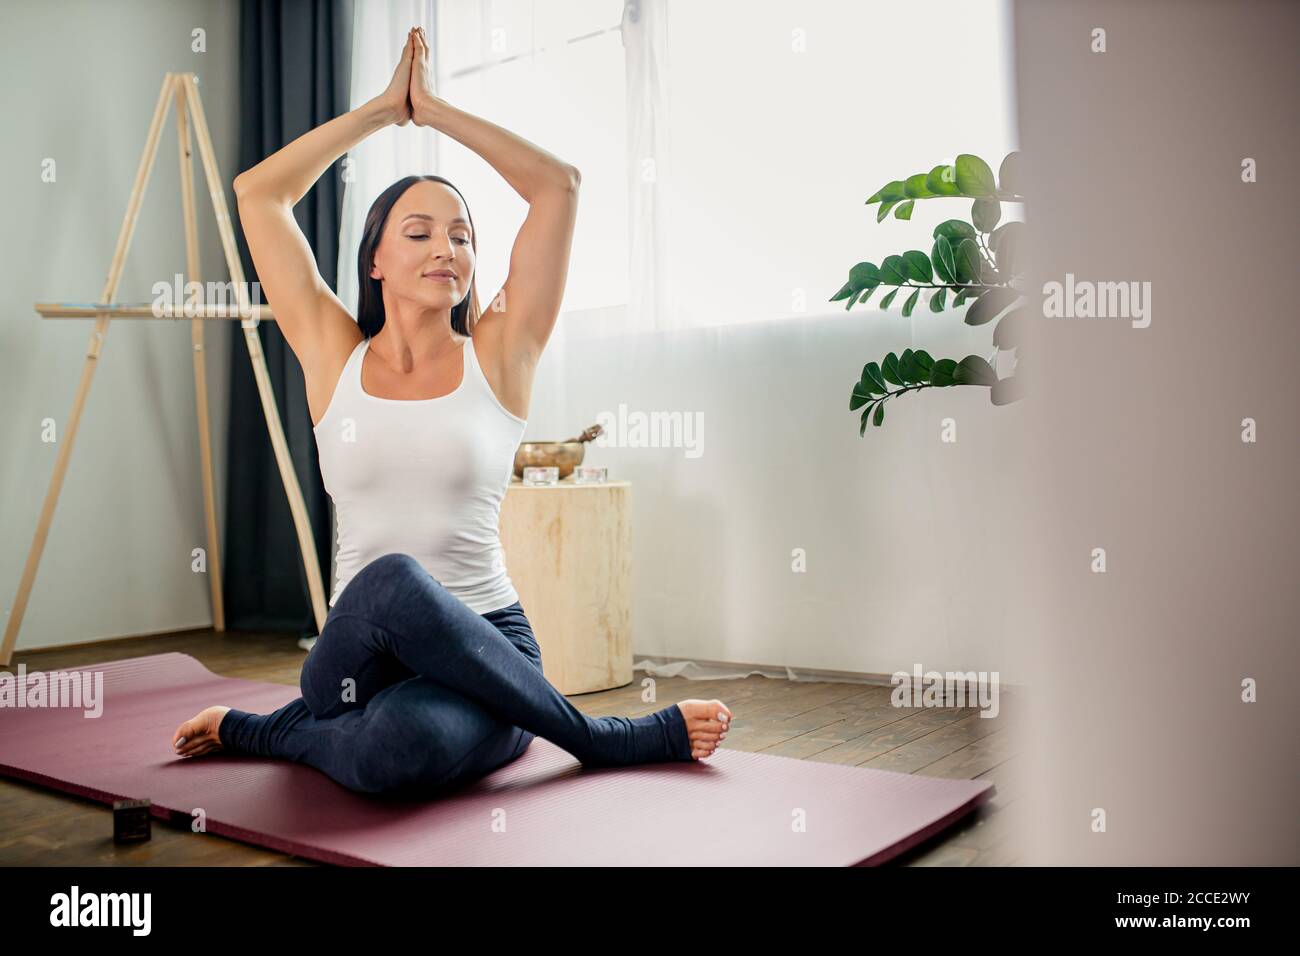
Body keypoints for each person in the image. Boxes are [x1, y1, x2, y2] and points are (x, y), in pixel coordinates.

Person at [170, 27, 731, 798]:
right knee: (393, 580)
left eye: (462, 236)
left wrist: (432, 111)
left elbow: (558, 186)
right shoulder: (333, 354)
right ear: (375, 260)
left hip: (490, 650)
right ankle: (602, 739)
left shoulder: (500, 352)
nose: (447, 249)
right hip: (358, 655)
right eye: (420, 232)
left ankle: (268, 731)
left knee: (394, 753)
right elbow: (257, 194)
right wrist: (381, 111)